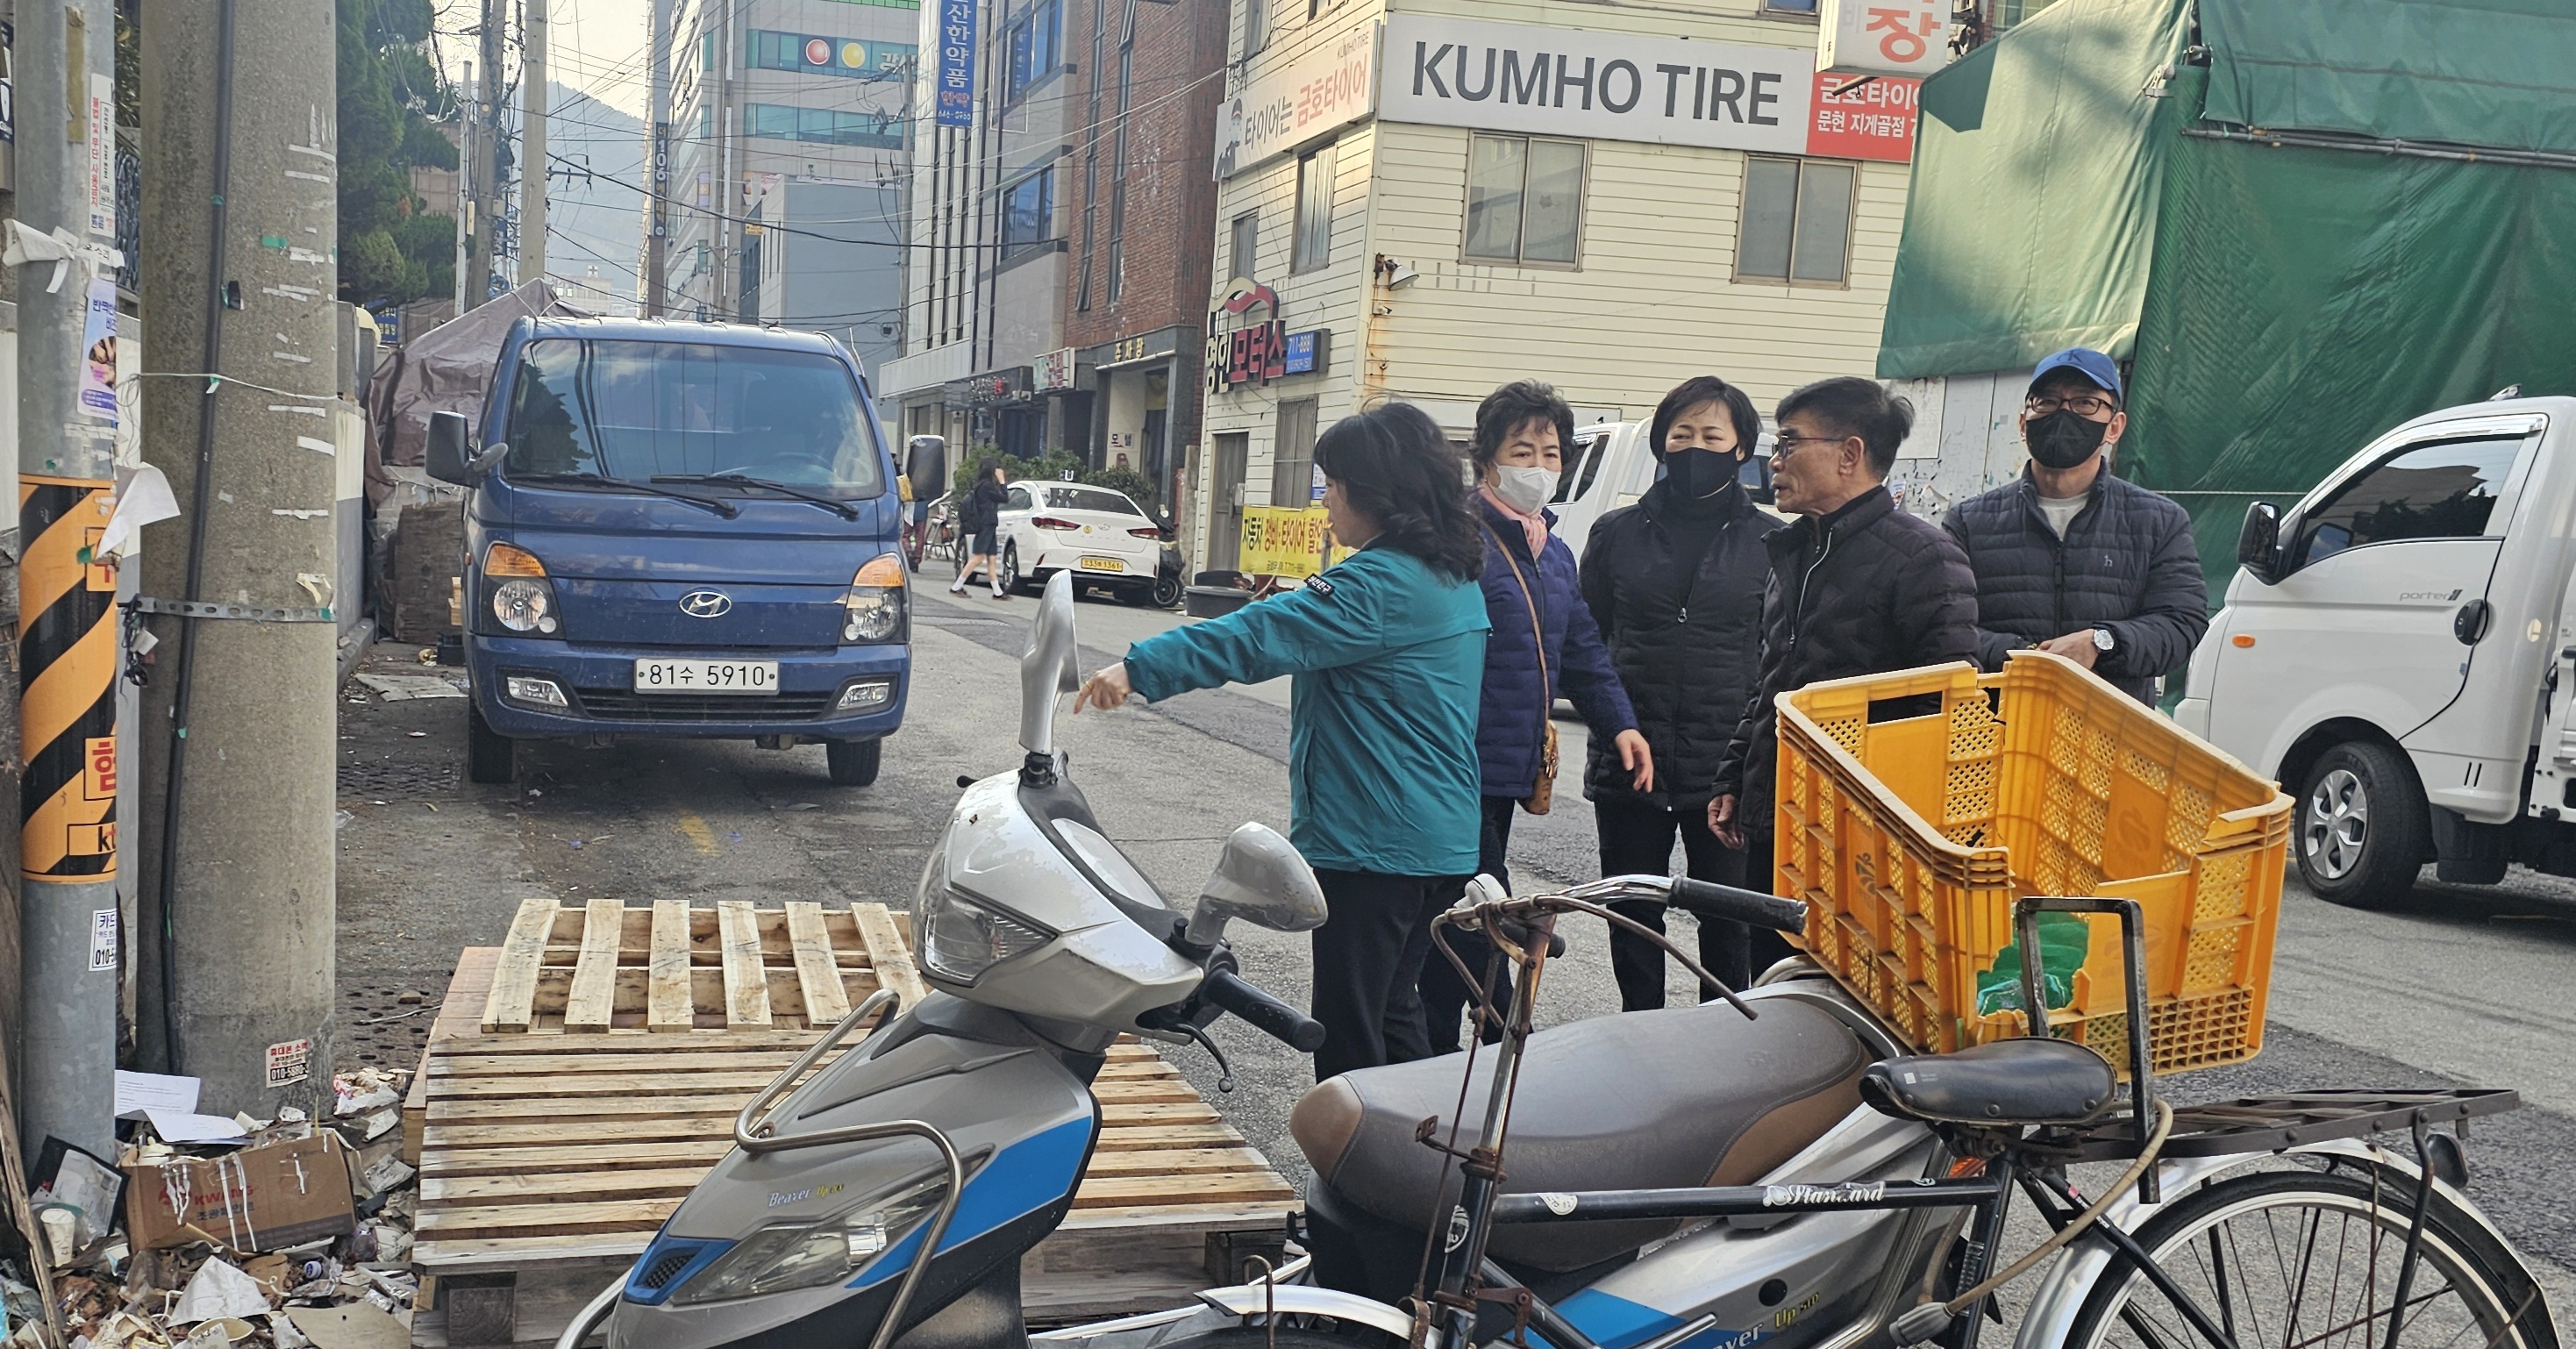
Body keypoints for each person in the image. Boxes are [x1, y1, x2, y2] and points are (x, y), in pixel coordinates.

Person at [1073, 403, 1488, 1081]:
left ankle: (1360, 1176)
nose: (1325, 505)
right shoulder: (1446, 572)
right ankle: (1424, 1169)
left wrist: (1138, 668)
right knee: (1392, 1012)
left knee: (1352, 1028)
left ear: (1373, 491)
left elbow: (1261, 633)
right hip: (1434, 836)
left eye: (1332, 486)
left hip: (1375, 841)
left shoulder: (1378, 584)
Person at [1710, 377, 1978, 978]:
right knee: (1772, 982)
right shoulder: (1791, 551)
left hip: (1860, 836)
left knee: (1848, 995)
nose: (1773, 463)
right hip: (1779, 814)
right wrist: (1736, 774)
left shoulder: (1923, 558)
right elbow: (1771, 681)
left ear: (1849, 454)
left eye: (1787, 443)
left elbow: (1947, 707)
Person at [1419, 382, 1650, 1052]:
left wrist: (1620, 724)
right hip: (1454, 763)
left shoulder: (1551, 550)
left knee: (1470, 902)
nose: (1539, 466)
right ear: (1485, 458)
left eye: (1551, 452)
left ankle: (1469, 1031)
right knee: (1474, 903)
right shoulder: (1455, 541)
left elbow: (1580, 646)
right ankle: (1471, 1036)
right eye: (1524, 449)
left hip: (1507, 764)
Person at [1577, 375, 1783, 1008]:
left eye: (1711, 435)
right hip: (1629, 757)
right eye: (1681, 434)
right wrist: (1610, 722)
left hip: (1726, 765)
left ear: (1741, 447)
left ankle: (1721, 1037)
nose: (1695, 447)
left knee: (1730, 918)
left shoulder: (1773, 540)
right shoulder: (1615, 533)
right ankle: (1640, 1032)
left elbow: (1777, 653)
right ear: (1661, 444)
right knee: (1633, 912)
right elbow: (1588, 641)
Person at [1941, 348, 2208, 705]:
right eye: (2047, 402)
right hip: (1996, 730)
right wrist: (2029, 655)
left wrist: (2100, 642)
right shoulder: (1970, 522)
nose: (2063, 413)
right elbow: (1945, 627)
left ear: (2114, 427)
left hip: (2113, 732)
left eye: (2085, 403)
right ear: (2023, 423)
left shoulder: (2158, 521)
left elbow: (2181, 624)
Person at [952, 459, 1010, 600]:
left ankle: (997, 592)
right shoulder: (987, 486)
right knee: (978, 557)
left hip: (988, 524)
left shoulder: (981, 485)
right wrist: (1002, 481)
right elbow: (1005, 498)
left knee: (992, 559)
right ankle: (956, 587)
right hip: (986, 525)